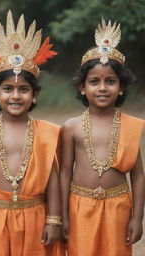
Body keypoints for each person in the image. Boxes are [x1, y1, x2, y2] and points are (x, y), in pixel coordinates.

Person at [0, 10, 65, 256]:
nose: (15, 96)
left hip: (36, 215)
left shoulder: (47, 132)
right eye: (7, 89)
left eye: (23, 89)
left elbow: (53, 178)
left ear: (35, 95)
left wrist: (54, 219)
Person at [60, 18, 145, 256]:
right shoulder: (72, 127)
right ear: (82, 88)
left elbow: (137, 175)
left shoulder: (128, 126)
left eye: (110, 81)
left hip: (118, 207)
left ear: (122, 87)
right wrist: (63, 216)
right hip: (79, 207)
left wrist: (138, 218)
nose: (103, 88)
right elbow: (65, 172)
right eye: (94, 82)